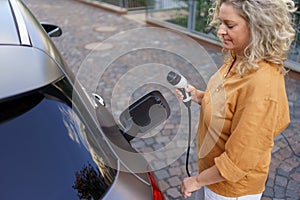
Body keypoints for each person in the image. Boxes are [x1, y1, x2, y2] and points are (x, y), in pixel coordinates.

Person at [178, 0, 296, 199]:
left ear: (257, 27)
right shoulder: (240, 57)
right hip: (211, 179)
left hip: (230, 192)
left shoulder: (262, 86)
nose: (220, 31)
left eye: (229, 25)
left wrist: (196, 181)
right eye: (221, 23)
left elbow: (237, 162)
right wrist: (200, 96)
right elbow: (229, 105)